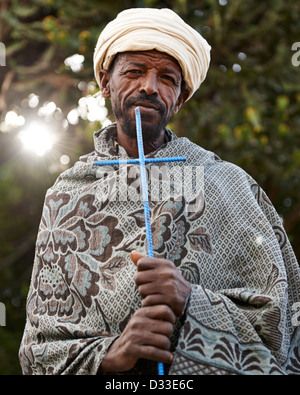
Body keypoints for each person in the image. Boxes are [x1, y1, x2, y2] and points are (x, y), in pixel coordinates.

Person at [19, 8, 300, 375]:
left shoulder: (226, 183)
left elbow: (284, 324)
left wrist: (190, 300)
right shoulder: (66, 195)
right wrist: (112, 355)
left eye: (167, 77)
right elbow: (39, 348)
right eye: (134, 71)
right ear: (106, 83)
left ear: (180, 98)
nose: (149, 86)